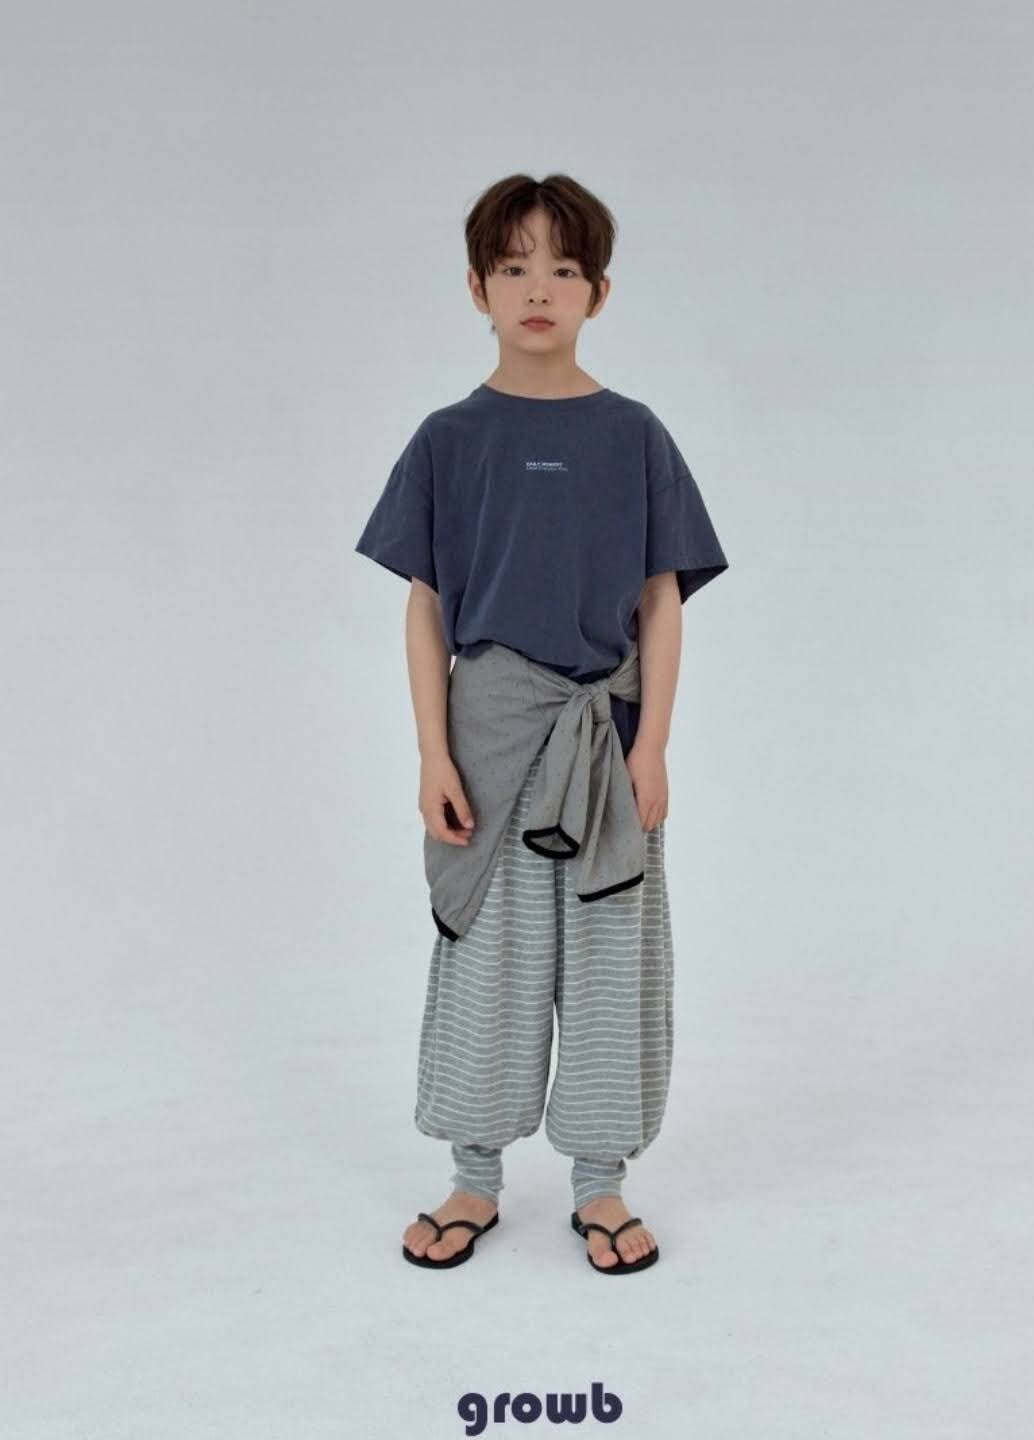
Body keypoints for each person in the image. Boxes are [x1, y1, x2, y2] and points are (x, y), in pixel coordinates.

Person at [354, 172, 729, 1274]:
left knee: (611, 955)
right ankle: (473, 1175)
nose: (537, 289)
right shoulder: (448, 438)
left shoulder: (634, 434)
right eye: (513, 267)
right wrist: (431, 752)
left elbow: (660, 597)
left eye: (563, 268)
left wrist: (652, 745)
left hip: (605, 737)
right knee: (489, 957)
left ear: (597, 293)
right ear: (477, 287)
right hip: (488, 737)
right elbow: (425, 606)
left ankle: (601, 1182)